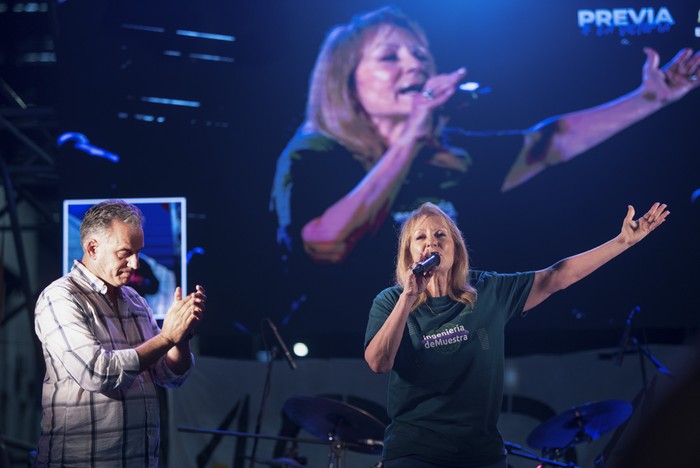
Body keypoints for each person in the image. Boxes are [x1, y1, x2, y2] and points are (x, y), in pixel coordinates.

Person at [268, 6, 697, 342]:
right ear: (347, 81)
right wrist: (411, 136)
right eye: (389, 56)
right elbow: (326, 244)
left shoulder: (451, 154)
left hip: (456, 327)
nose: (414, 65)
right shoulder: (315, 153)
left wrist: (649, 99)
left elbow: (549, 143)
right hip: (350, 335)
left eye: (419, 53)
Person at [363, 200, 669, 468]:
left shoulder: (489, 291)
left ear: (456, 248)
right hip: (415, 454)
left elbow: (556, 277)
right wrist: (408, 297)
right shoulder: (390, 302)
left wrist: (622, 242)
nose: (432, 243)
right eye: (421, 237)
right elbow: (379, 363)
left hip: (481, 455)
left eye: (441, 235)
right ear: (409, 253)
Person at [33, 200, 206, 467]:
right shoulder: (60, 297)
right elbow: (97, 373)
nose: (135, 264)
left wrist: (181, 337)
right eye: (125, 253)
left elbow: (169, 375)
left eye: (138, 252)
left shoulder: (136, 301)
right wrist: (166, 337)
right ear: (92, 248)